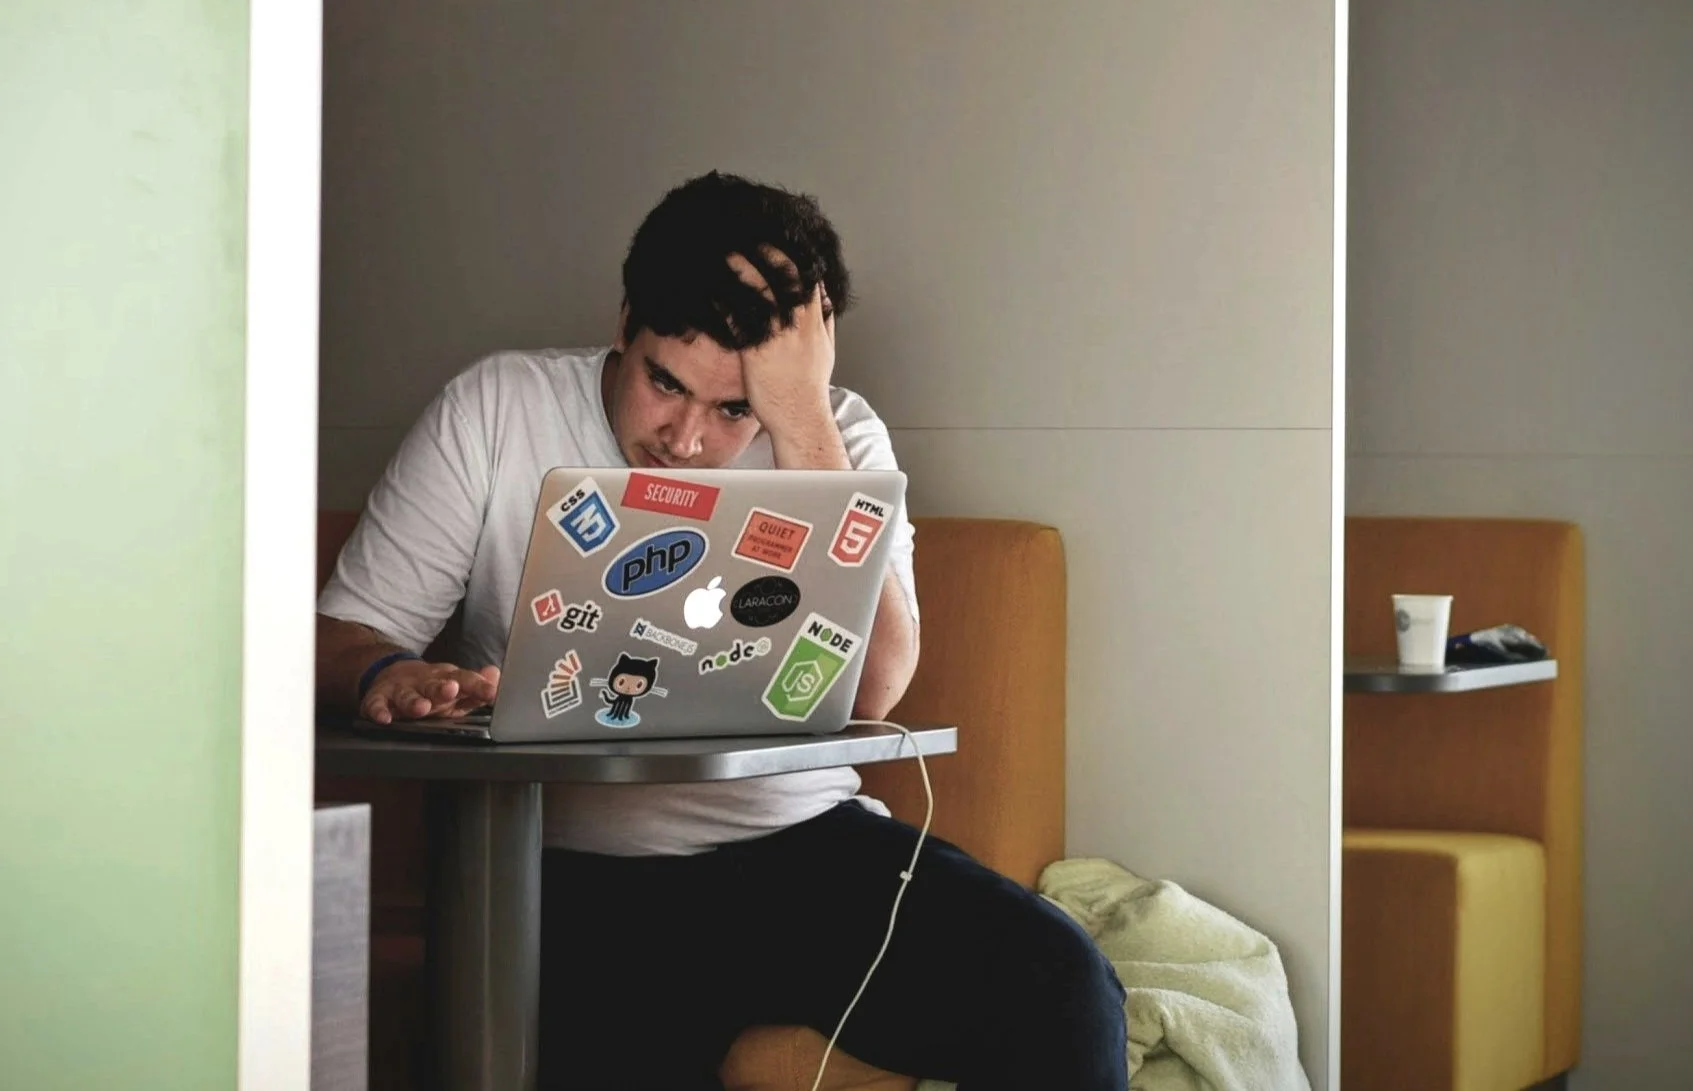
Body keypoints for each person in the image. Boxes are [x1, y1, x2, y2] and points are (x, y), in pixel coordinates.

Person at [313, 172, 1127, 1090]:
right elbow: (339, 636)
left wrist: (800, 421)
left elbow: (874, 689)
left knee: (1061, 984)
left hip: (803, 847)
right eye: (665, 383)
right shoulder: (496, 407)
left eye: (733, 407)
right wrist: (389, 672)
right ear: (624, 322)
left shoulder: (835, 433)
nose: (686, 438)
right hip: (573, 871)